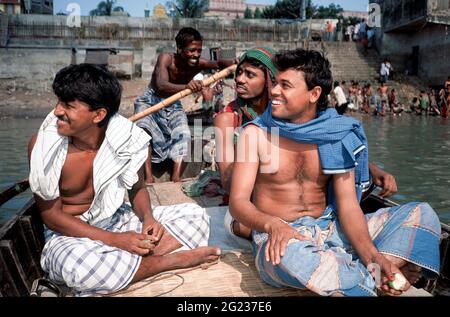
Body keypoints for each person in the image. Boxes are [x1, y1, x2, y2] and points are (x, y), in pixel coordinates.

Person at [229, 49, 440, 296]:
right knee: (292, 258)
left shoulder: (337, 134)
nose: (274, 90)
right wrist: (272, 224)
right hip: (281, 237)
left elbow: (349, 207)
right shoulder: (254, 134)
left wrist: (373, 258)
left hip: (330, 229)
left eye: (285, 85)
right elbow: (238, 202)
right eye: (275, 83)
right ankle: (377, 272)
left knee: (422, 214)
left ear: (314, 93)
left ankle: (360, 270)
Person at [28, 64, 221, 296]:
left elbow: (137, 188)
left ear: (98, 115)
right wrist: (115, 240)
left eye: (68, 105)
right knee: (79, 266)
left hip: (115, 219)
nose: (57, 111)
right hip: (69, 233)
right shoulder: (44, 145)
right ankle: (164, 262)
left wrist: (148, 218)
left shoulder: (125, 139)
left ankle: (125, 264)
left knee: (196, 217)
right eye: (58, 102)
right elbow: (52, 216)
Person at [134, 27, 235, 183]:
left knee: (184, 134)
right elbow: (161, 85)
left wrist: (233, 63)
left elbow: (219, 63)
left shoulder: (198, 63)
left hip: (173, 103)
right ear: (180, 48)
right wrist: (187, 87)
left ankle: (176, 177)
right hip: (151, 100)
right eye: (191, 50)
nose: (196, 54)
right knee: (143, 132)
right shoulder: (166, 58)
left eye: (199, 50)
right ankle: (148, 178)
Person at [214, 47, 277, 207]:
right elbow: (228, 183)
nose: (240, 79)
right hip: (246, 204)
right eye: (239, 72)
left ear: (269, 80)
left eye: (250, 74)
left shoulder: (284, 114)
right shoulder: (227, 118)